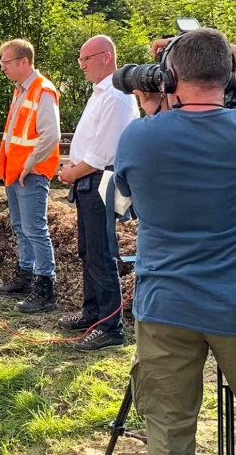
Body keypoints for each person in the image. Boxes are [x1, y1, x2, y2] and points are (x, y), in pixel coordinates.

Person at [115, 28, 236, 455]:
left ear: (167, 77)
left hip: (166, 304)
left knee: (168, 431)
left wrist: (154, 116)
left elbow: (122, 199)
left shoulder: (139, 136)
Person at [55, 36, 139, 351]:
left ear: (105, 57)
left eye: (85, 58)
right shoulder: (102, 92)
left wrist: (71, 172)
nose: (81, 65)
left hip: (99, 181)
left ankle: (110, 327)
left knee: (101, 254)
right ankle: (93, 313)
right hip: (88, 181)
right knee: (89, 251)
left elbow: (102, 154)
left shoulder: (115, 95)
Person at [0, 39, 61, 314]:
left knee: (35, 230)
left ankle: (46, 290)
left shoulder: (42, 90)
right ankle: (25, 277)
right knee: (22, 228)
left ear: (24, 62)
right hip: (15, 173)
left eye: (6, 62)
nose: (3, 67)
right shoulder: (21, 90)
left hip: (29, 174)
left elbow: (51, 135)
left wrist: (30, 165)